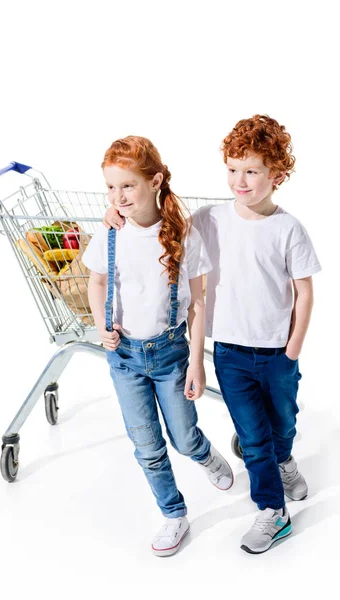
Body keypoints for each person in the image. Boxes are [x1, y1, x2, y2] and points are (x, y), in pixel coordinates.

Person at [104, 116, 321, 554]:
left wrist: (293, 347)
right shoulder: (207, 219)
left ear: (277, 176)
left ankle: (285, 461)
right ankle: (272, 513)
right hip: (230, 352)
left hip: (278, 350)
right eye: (233, 169)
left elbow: (304, 292)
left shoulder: (289, 229)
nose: (240, 180)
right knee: (253, 436)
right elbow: (153, 214)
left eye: (252, 171)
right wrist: (114, 212)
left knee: (282, 423)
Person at [82, 135, 233, 557]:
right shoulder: (110, 234)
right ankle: (173, 513)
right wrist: (100, 324)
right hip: (124, 357)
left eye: (127, 185)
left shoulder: (182, 237)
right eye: (111, 187)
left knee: (183, 438)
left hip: (170, 355)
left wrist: (198, 364)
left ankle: (203, 454)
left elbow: (199, 302)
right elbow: (96, 282)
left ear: (155, 181)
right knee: (147, 445)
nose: (118, 195)